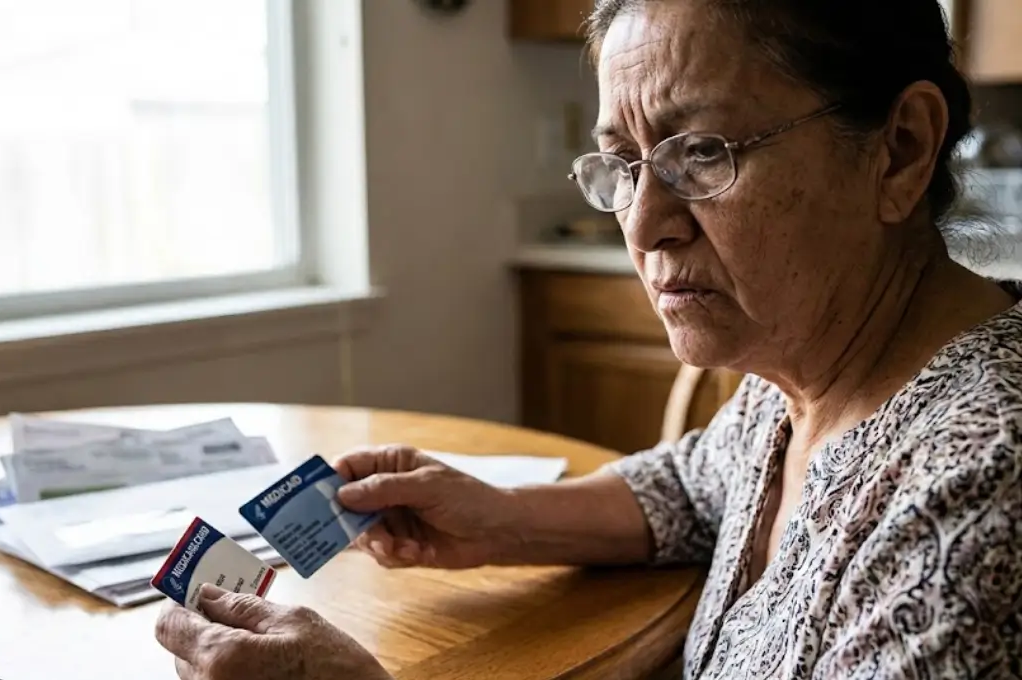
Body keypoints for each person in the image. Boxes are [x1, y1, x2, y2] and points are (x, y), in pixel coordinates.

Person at [153, 0, 1022, 677]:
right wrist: (504, 519)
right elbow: (694, 485)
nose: (644, 224)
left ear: (900, 151)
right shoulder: (804, 373)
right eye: (626, 163)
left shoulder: (979, 481)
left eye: (704, 153)